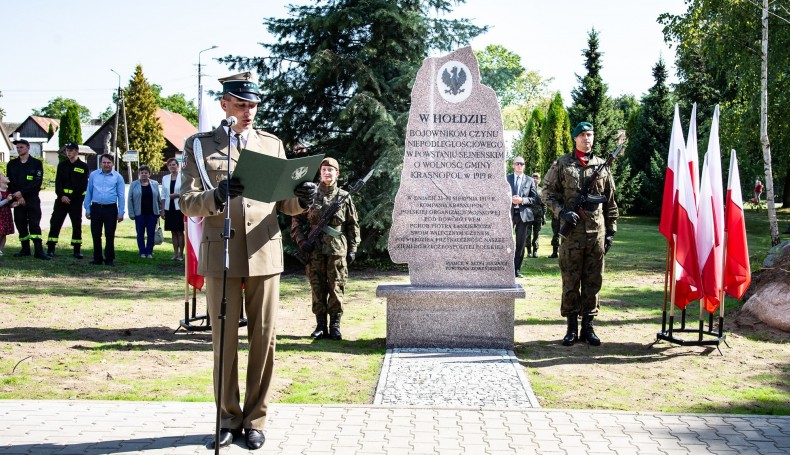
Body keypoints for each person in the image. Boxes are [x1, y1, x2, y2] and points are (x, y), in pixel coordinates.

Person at [179, 72, 315, 451]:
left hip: (264, 251)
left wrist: (302, 197)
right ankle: (227, 418)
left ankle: (255, 419)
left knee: (263, 339)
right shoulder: (201, 146)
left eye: (253, 104)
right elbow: (185, 202)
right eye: (241, 104)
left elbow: (284, 204)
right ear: (224, 104)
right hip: (221, 251)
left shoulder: (271, 145)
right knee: (224, 339)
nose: (249, 111)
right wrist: (215, 195)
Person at [541, 122, 618, 347]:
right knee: (571, 280)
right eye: (583, 135)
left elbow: (611, 202)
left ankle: (588, 327)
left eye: (590, 135)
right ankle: (571, 327)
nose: (587, 139)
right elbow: (547, 192)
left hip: (596, 234)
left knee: (593, 281)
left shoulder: (602, 166)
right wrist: (562, 212)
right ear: (575, 139)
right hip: (572, 235)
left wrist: (611, 232)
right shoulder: (563, 164)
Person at [292, 157, 360, 340]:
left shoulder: (344, 196)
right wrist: (301, 242)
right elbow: (296, 221)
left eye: (331, 170)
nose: (327, 173)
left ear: (337, 173)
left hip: (337, 250)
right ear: (320, 173)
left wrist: (353, 249)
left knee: (337, 287)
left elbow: (353, 225)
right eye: (323, 170)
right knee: (317, 287)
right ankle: (321, 325)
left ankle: (335, 326)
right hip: (314, 250)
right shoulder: (310, 195)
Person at [6, 139, 49, 260]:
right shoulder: (12, 164)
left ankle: (39, 251)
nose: (19, 149)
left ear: (28, 148)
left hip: (32, 199)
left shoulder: (36, 163)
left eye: (21, 147)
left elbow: (37, 182)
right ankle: (25, 249)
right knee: (20, 223)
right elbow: (10, 182)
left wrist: (22, 193)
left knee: (34, 224)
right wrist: (17, 195)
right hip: (17, 200)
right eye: (17, 147)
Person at [46, 142, 89, 258]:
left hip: (75, 201)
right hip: (61, 200)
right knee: (55, 222)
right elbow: (58, 183)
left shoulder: (83, 166)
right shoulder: (62, 165)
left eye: (70, 150)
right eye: (67, 150)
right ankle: (51, 248)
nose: (68, 152)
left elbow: (83, 185)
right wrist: (62, 196)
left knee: (76, 225)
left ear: (76, 151)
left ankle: (76, 250)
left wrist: (72, 197)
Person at [84, 153, 125, 266]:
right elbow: (89, 192)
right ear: (100, 163)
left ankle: (109, 258)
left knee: (110, 234)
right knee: (96, 234)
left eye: (108, 163)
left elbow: (121, 196)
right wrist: (87, 208)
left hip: (110, 209)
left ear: (112, 163)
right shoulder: (94, 175)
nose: (106, 165)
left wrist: (121, 212)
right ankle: (97, 258)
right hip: (96, 208)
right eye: (104, 162)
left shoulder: (118, 177)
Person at [506, 156, 538, 278]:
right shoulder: (506, 179)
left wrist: (522, 200)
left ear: (524, 166)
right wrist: (510, 200)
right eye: (517, 163)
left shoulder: (530, 181)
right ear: (513, 165)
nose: (520, 166)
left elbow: (535, 199)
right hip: (508, 215)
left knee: (520, 243)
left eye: (522, 164)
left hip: (523, 216)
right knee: (505, 242)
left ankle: (516, 270)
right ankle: (504, 268)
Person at [128, 165, 161, 258]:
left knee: (151, 234)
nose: (144, 174)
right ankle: (142, 251)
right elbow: (130, 199)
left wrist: (160, 210)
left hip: (152, 213)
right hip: (139, 213)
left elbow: (158, 198)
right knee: (140, 233)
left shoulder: (155, 184)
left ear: (149, 174)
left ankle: (149, 252)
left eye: (146, 173)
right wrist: (131, 213)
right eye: (142, 173)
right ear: (139, 174)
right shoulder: (134, 184)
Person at [160, 157, 185, 260]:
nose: (172, 167)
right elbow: (163, 195)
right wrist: (162, 210)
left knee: (179, 231)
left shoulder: (183, 177)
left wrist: (177, 195)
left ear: (178, 166)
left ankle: (181, 254)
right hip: (168, 208)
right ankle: (175, 253)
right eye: (170, 165)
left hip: (179, 207)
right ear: (168, 167)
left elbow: (187, 192)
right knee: (173, 232)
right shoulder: (165, 178)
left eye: (174, 165)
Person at [526, 171, 545, 258]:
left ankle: (535, 251)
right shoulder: (527, 189)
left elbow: (544, 204)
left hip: (538, 215)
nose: (535, 179)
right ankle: (529, 251)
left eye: (537, 178)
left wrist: (543, 216)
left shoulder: (542, 191)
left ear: (539, 180)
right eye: (533, 177)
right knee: (528, 233)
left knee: (536, 234)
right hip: (529, 215)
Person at [546, 160, 561, 258]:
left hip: (566, 209)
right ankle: (555, 252)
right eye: (553, 166)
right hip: (556, 212)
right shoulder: (551, 179)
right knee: (556, 233)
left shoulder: (564, 177)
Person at [0, 172, 15, 256]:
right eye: (4, 176)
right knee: (0, 232)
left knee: (4, 233)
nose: (7, 177)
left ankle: (0, 250)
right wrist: (7, 200)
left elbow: (7, 204)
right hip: (0, 215)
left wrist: (12, 205)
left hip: (6, 214)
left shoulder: (8, 191)